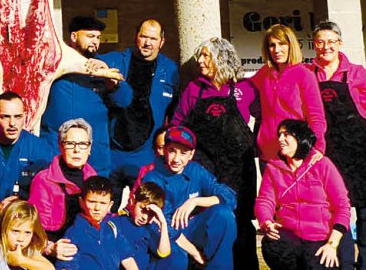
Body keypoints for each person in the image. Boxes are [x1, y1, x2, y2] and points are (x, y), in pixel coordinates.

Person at [168, 37, 257, 268]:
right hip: (205, 168)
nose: (200, 61)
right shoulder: (194, 90)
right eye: (200, 55)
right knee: (213, 220)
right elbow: (177, 125)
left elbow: (266, 118)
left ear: (222, 58)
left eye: (206, 55)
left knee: (241, 222)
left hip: (239, 169)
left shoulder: (244, 89)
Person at [308, 21, 366, 270]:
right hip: (329, 152)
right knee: (335, 209)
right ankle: (344, 264)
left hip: (362, 149)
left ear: (340, 44)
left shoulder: (356, 73)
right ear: (314, 45)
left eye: (331, 41)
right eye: (320, 42)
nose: (326, 47)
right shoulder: (308, 73)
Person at [41, 16, 132, 177]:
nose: (95, 42)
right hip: (57, 150)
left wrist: (111, 81)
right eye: (90, 36)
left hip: (95, 155)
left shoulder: (103, 65)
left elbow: (125, 100)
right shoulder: (53, 63)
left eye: (98, 38)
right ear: (74, 36)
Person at [137, 126, 237, 270]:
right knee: (177, 256)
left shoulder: (195, 170)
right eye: (172, 151)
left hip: (191, 227)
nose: (176, 159)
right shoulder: (152, 177)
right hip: (163, 231)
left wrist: (195, 201)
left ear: (191, 155)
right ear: (165, 150)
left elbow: (229, 196)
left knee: (224, 214)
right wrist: (195, 253)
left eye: (183, 153)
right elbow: (165, 223)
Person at [255, 120, 350, 270]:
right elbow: (264, 200)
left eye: (286, 135)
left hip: (321, 238)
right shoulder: (273, 167)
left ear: (300, 138)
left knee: (316, 263)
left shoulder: (323, 164)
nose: (280, 139)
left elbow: (342, 206)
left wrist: (332, 244)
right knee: (273, 244)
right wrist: (266, 222)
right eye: (279, 135)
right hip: (289, 236)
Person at [101, 19, 179, 192]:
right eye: (143, 36)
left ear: (162, 42)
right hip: (112, 153)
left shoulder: (170, 70)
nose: (147, 43)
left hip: (146, 154)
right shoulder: (115, 60)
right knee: (103, 210)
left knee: (144, 209)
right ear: (136, 37)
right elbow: (85, 61)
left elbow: (175, 112)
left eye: (153, 39)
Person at [0, 90, 56, 216]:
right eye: (5, 117)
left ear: (24, 117)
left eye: (17, 117)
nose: (12, 123)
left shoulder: (40, 149)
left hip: (26, 224)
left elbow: (53, 195)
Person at [250, 25, 326, 164]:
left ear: (291, 45)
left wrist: (318, 146)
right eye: (272, 45)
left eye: (282, 44)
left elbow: (316, 115)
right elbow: (243, 89)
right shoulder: (264, 73)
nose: (277, 50)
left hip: (294, 153)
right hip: (267, 155)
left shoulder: (304, 75)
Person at [30, 119, 98, 241]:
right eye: (70, 143)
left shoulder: (94, 180)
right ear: (61, 146)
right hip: (51, 243)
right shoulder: (43, 181)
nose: (77, 150)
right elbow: (33, 228)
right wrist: (50, 248)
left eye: (83, 144)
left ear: (89, 148)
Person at [53, 176, 138, 270]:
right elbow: (66, 267)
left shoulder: (112, 228)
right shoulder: (74, 233)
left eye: (103, 203)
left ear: (110, 205)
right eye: (92, 202)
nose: (97, 208)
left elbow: (126, 256)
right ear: (81, 202)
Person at [109, 182, 174, 270]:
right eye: (142, 209)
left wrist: (163, 223)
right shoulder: (117, 222)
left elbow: (164, 253)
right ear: (132, 200)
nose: (145, 217)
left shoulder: (149, 228)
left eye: (151, 213)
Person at [0, 199, 54, 270]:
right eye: (15, 231)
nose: (21, 239)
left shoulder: (28, 250)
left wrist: (21, 260)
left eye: (27, 233)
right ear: (3, 229)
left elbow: (50, 268)